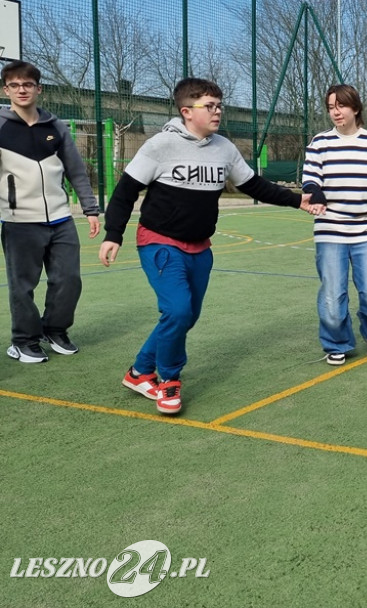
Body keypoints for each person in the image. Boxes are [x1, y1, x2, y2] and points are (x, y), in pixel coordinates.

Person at [98, 77, 314, 415]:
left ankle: (139, 371)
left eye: (219, 105)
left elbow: (254, 185)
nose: (217, 111)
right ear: (186, 111)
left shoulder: (224, 148)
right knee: (178, 310)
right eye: (209, 106)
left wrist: (296, 200)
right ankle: (168, 381)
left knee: (186, 316)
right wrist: (113, 234)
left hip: (200, 247)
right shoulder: (159, 146)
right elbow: (125, 192)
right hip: (159, 241)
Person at [1, 60, 101, 364]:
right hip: (19, 221)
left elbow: (76, 171)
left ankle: (54, 330)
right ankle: (23, 340)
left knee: (69, 279)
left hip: (60, 219)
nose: (22, 90)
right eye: (15, 85)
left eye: (27, 84)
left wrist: (91, 209)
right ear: (6, 90)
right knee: (23, 286)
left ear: (38, 89)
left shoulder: (56, 126)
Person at [301, 84, 367, 366]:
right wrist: (315, 192)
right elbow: (310, 179)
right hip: (330, 230)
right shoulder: (319, 143)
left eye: (340, 106)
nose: (335, 112)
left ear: (355, 107)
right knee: (332, 294)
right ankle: (336, 342)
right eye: (331, 107)